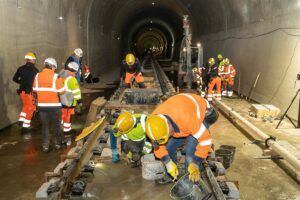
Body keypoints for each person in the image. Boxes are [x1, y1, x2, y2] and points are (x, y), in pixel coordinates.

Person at [145, 93, 218, 183]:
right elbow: (158, 145)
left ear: (169, 126)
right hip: (181, 116)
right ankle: (171, 175)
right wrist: (168, 162)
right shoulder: (154, 123)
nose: (168, 138)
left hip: (202, 113)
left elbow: (206, 140)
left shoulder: (188, 121)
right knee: (169, 148)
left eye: (168, 135)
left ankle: (193, 181)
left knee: (190, 155)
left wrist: (195, 162)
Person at [33, 58, 65, 152]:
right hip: (54, 106)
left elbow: (34, 89)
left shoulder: (37, 75)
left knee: (45, 126)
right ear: (52, 66)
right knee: (57, 125)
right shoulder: (56, 76)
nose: (54, 69)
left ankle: (45, 146)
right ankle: (58, 144)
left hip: (42, 106)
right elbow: (62, 91)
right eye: (54, 67)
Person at [13, 52, 39, 129]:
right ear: (33, 60)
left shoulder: (20, 68)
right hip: (30, 93)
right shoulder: (35, 70)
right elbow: (36, 83)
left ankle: (21, 119)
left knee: (25, 106)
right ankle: (26, 125)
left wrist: (21, 82)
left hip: (21, 92)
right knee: (31, 108)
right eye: (34, 59)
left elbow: (14, 79)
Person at [59, 62, 82, 145]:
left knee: (64, 114)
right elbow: (76, 91)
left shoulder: (61, 75)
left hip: (62, 99)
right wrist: (79, 100)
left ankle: (64, 129)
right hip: (69, 100)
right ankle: (66, 131)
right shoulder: (72, 79)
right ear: (74, 71)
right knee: (68, 115)